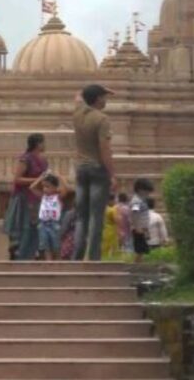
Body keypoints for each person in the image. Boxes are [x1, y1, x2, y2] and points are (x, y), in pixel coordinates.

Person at [73, 84, 117, 261]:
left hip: (81, 168)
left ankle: (77, 256)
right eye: (104, 97)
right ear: (98, 99)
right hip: (97, 169)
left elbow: (77, 95)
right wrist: (112, 174)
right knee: (96, 215)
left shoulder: (77, 114)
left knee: (81, 217)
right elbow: (104, 148)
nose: (106, 100)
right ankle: (93, 257)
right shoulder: (102, 119)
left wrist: (99, 90)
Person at [3, 133, 48, 260]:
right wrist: (36, 179)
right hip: (24, 199)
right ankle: (20, 256)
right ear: (37, 143)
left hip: (38, 198)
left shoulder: (43, 161)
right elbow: (17, 179)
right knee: (24, 228)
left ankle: (33, 254)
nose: (45, 145)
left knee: (37, 229)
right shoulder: (25, 159)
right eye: (43, 142)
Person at [30, 173, 70, 261]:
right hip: (43, 224)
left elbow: (66, 189)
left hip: (54, 224)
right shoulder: (43, 197)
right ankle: (49, 265)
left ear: (55, 188)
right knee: (46, 248)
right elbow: (32, 187)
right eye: (44, 187)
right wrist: (41, 177)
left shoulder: (58, 197)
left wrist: (60, 177)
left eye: (48, 187)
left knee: (56, 247)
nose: (45, 189)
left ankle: (59, 267)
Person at [129, 179, 154, 263]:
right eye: (147, 191)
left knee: (142, 250)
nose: (148, 194)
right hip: (138, 229)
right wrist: (137, 228)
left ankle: (139, 264)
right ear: (140, 190)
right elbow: (134, 214)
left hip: (142, 228)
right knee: (140, 250)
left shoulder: (142, 200)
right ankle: (136, 265)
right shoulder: (136, 201)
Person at [101, 195, 120, 259]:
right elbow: (116, 220)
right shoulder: (112, 210)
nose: (114, 202)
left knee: (103, 247)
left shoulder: (102, 209)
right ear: (110, 200)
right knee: (113, 246)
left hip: (103, 229)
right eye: (114, 200)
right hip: (111, 230)